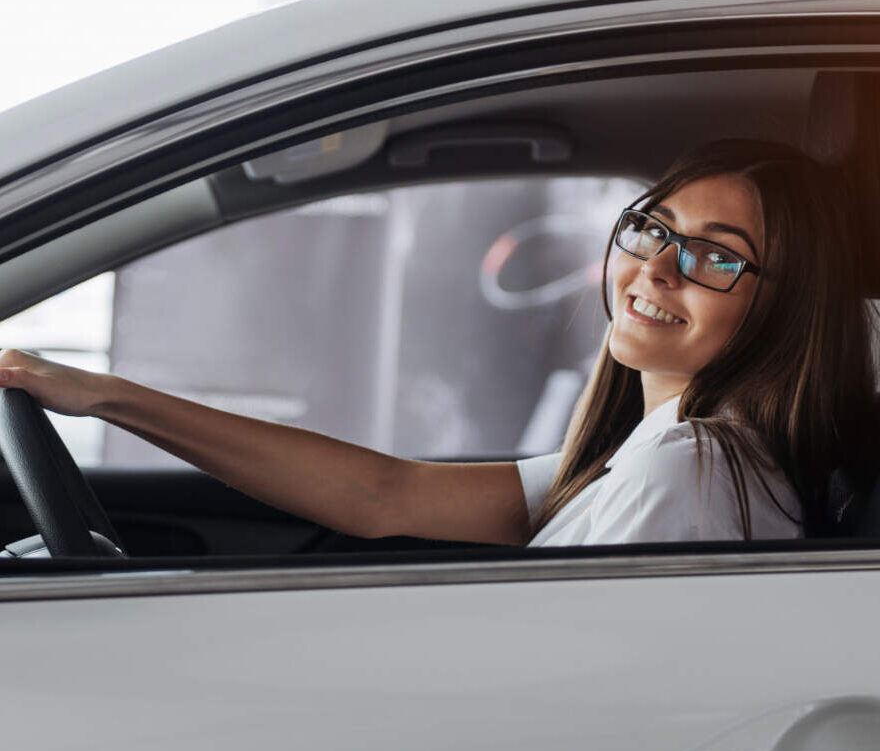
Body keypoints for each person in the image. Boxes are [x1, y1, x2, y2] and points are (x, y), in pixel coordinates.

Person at [0, 138, 875, 546]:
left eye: (718, 258)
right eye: (653, 228)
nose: (657, 270)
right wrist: (102, 394)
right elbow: (385, 495)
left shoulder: (684, 469)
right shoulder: (660, 452)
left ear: (783, 308)